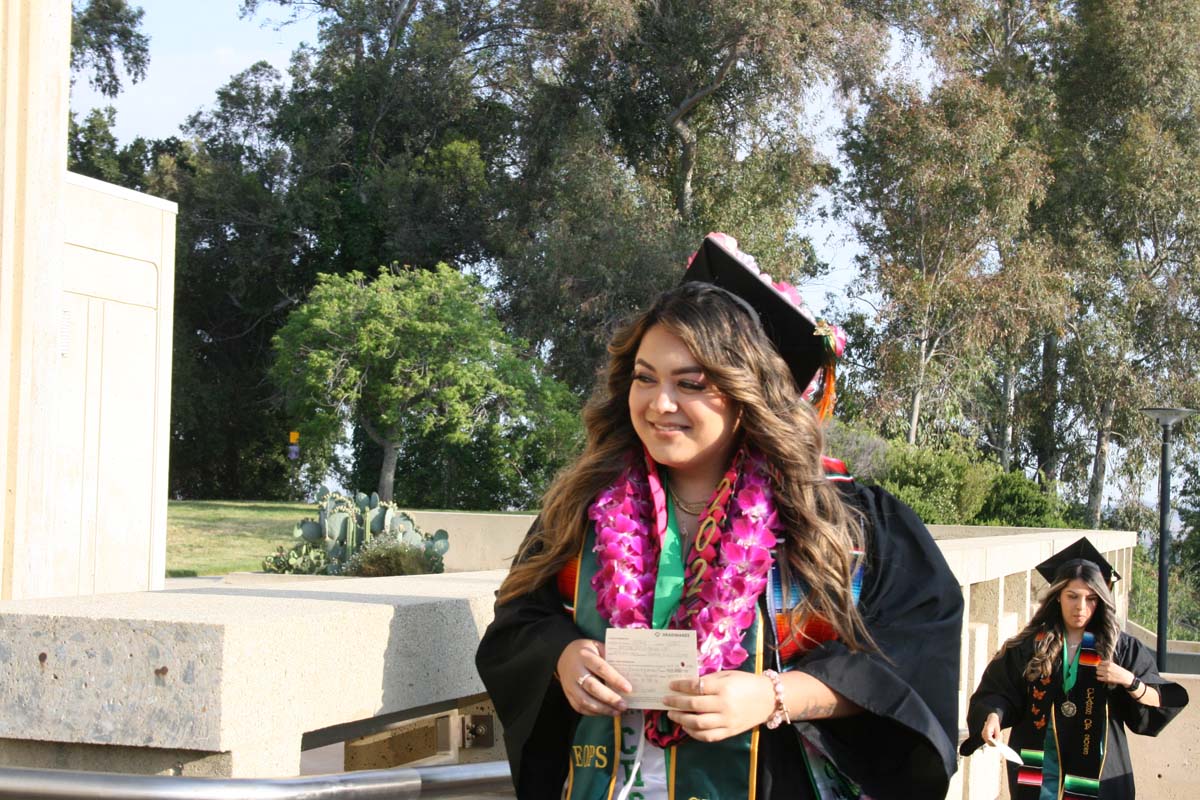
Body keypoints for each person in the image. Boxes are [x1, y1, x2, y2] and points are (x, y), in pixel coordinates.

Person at [476, 233, 964, 799]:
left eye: (692, 384)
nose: (660, 404)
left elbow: (912, 658)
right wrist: (562, 656)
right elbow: (518, 622)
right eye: (645, 377)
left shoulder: (844, 520)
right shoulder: (582, 508)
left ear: (748, 391)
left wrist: (776, 696)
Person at [960, 537, 1189, 798]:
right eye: (1072, 596)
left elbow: (1161, 701)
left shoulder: (1119, 648)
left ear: (1101, 600)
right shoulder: (1030, 646)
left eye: (1091, 598)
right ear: (1057, 596)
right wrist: (993, 716)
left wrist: (1129, 680)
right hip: (1039, 769)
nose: (1081, 607)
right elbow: (998, 692)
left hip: (1100, 775)